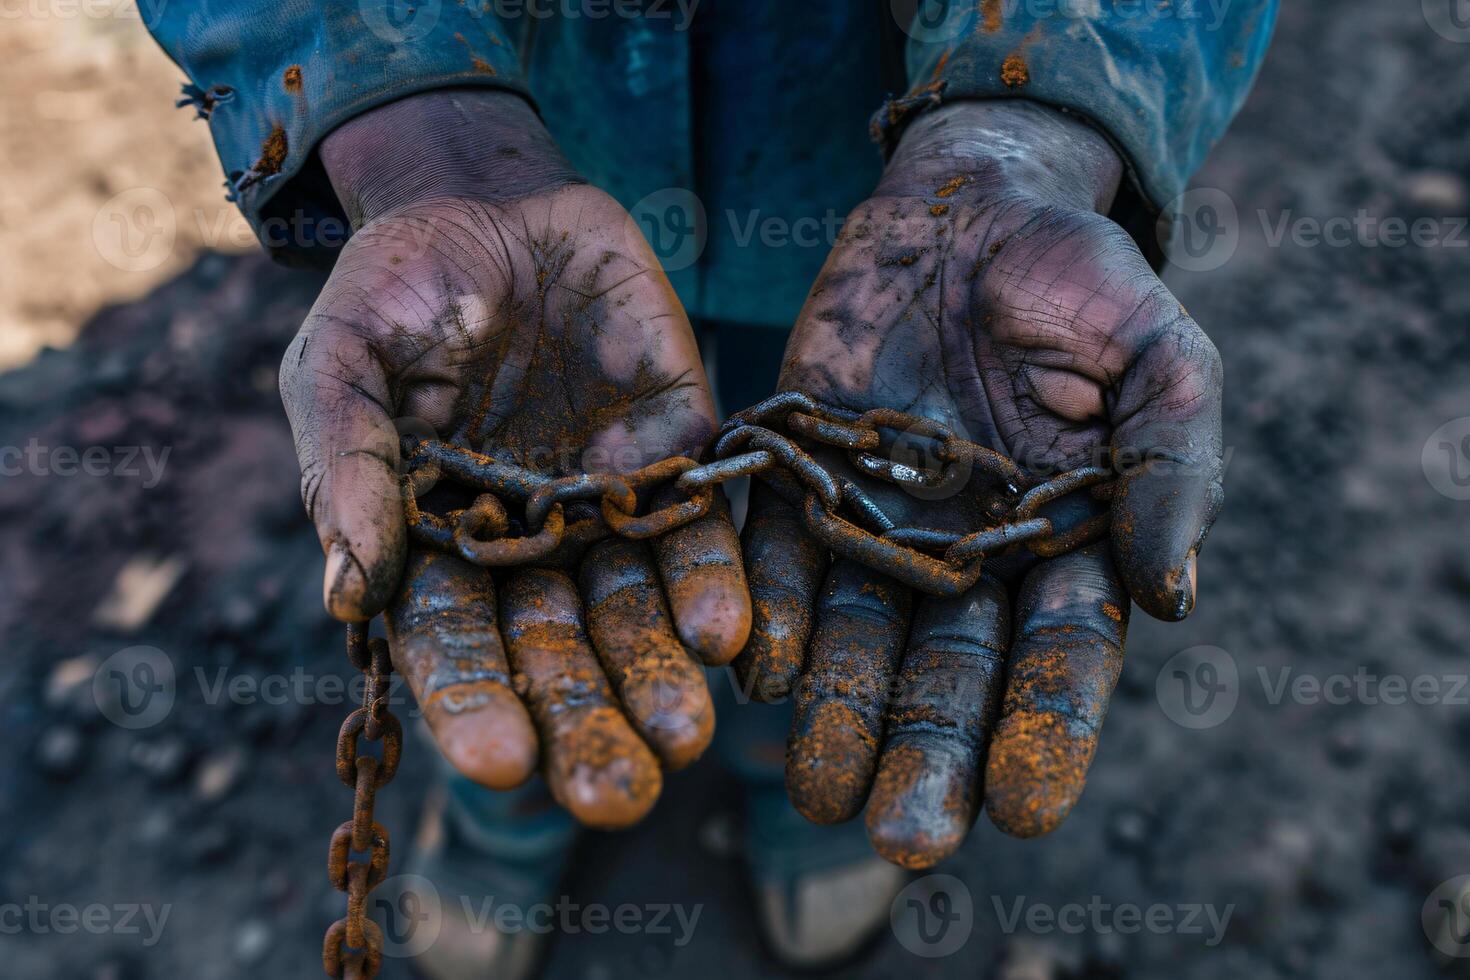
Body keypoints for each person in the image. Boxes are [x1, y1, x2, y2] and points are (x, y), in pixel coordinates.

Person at [142, 1, 1277, 974]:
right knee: (488, 473)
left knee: (813, 544)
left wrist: (1028, 122)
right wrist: (411, 129)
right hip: (508, 121)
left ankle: (784, 757)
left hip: (885, 181)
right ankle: (511, 791)